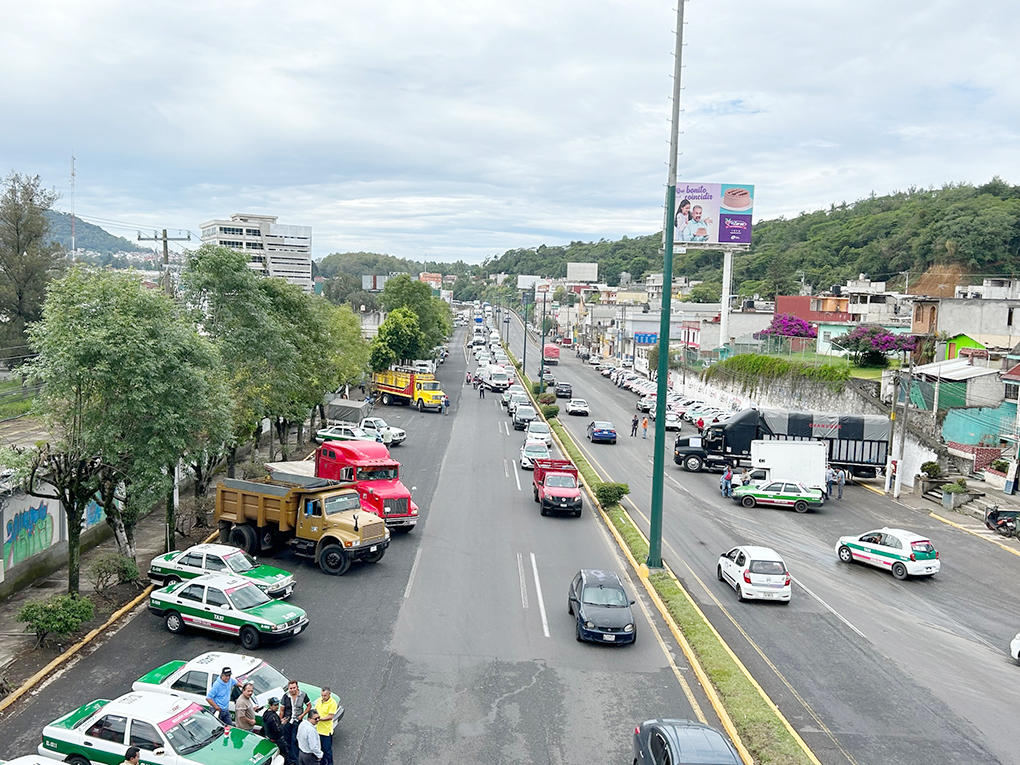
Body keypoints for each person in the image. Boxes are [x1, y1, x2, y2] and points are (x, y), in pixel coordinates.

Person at [282, 679, 311, 765]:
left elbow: (309, 705)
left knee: (294, 740)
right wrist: (281, 720)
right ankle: (289, 759)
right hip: (287, 720)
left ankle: (295, 760)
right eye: (290, 688)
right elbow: (282, 710)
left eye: (294, 688)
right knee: (287, 740)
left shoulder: (303, 695)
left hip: (297, 720)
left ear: (297, 687)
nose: (292, 690)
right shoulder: (285, 696)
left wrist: (302, 715)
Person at [313, 687, 340, 765]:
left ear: (329, 694)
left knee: (327, 751)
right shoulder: (319, 700)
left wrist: (319, 719)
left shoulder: (332, 703)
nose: (323, 697)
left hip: (325, 731)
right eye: (322, 695)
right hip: (318, 730)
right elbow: (316, 710)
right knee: (320, 750)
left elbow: (330, 716)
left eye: (325, 695)